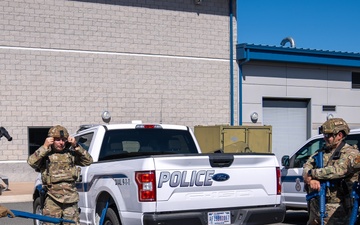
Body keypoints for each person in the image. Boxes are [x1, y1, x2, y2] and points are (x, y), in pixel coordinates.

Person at [28, 125, 93, 225]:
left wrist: (76, 146)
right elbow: (31, 162)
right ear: (51, 140)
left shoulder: (71, 154)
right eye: (57, 140)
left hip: (71, 200)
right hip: (52, 200)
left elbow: (88, 161)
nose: (61, 143)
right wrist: (44, 147)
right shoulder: (45, 155)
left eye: (63, 140)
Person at [303, 118, 359, 225]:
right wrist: (310, 180)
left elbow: (339, 170)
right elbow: (306, 168)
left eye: (328, 135)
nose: (325, 138)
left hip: (339, 208)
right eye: (324, 135)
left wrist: (313, 174)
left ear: (339, 135)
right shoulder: (320, 153)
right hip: (316, 206)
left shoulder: (351, 154)